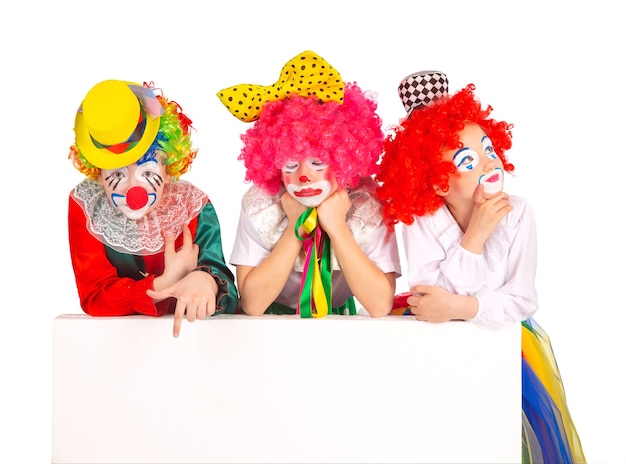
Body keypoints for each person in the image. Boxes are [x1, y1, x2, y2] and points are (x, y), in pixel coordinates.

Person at [376, 71, 586, 463]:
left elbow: (521, 301)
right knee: (443, 436)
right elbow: (426, 298)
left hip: (503, 345)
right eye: (468, 160)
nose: (489, 163)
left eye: (488, 149)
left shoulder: (518, 213)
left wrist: (462, 307)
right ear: (438, 183)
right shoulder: (418, 218)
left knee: (501, 438)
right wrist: (474, 237)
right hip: (435, 347)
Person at [216, 50, 401, 318]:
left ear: (343, 159)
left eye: (318, 163)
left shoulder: (368, 205)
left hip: (339, 321)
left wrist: (338, 228)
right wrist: (294, 228)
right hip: (270, 323)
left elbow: (380, 305)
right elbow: (253, 305)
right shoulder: (260, 204)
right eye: (291, 165)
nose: (304, 176)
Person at [68, 79, 238, 337]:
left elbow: (226, 288)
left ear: (169, 168)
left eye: (148, 171)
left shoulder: (193, 206)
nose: (133, 189)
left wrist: (205, 280)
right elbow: (94, 298)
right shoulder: (86, 207)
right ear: (99, 175)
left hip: (194, 346)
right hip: (119, 350)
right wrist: (165, 282)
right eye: (117, 174)